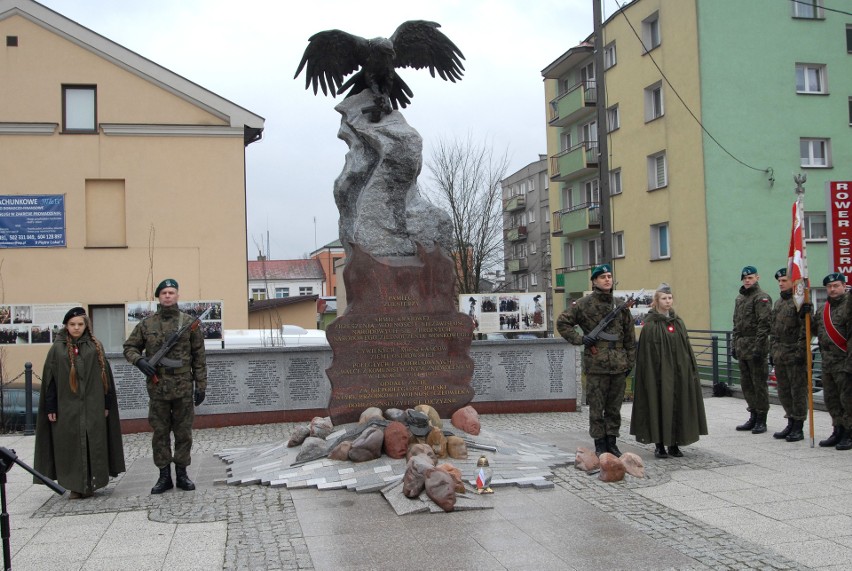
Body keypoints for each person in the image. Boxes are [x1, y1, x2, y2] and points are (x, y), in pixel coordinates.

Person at [124, 278, 207, 493]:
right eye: (164, 293)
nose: (168, 296)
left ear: (177, 295)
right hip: (158, 388)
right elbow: (129, 347)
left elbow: (199, 357)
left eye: (171, 292)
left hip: (183, 388)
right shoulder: (146, 324)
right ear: (158, 297)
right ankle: (163, 476)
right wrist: (140, 361)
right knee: (160, 433)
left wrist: (201, 386)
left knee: (183, 433)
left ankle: (182, 474)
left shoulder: (189, 323)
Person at [33, 307, 125, 498]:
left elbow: (105, 378)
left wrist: (106, 404)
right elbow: (50, 380)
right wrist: (51, 406)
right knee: (70, 445)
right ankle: (76, 485)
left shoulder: (94, 346)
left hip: (93, 405)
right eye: (72, 324)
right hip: (67, 406)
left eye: (80, 324)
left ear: (86, 325)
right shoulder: (57, 349)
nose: (76, 328)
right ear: (66, 325)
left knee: (94, 442)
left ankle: (92, 482)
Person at [557, 264, 636, 457]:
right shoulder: (583, 304)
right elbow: (563, 323)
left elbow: (629, 337)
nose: (607, 280)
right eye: (602, 277)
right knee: (596, 407)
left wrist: (630, 362)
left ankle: (612, 441)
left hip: (618, 364)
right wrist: (581, 339)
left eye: (609, 276)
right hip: (596, 364)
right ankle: (600, 443)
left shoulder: (620, 306)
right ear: (594, 281)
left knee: (614, 408)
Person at [630, 284, 708, 458]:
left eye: (670, 298)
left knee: (678, 405)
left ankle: (675, 443)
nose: (668, 301)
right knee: (658, 405)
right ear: (656, 301)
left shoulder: (678, 323)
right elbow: (646, 356)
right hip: (658, 375)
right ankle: (659, 445)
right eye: (664, 298)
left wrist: (689, 371)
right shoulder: (650, 326)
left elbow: (686, 349)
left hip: (679, 373)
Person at [769, 268, 809, 442]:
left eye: (784, 280)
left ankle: (798, 425)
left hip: (794, 353)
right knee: (784, 391)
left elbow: (805, 330)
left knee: (798, 391)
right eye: (779, 281)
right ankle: (790, 420)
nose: (781, 283)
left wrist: (801, 352)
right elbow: (773, 330)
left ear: (793, 282)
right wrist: (772, 351)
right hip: (780, 354)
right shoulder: (778, 303)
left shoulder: (799, 302)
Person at [732, 265, 772, 434]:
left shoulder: (761, 298)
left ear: (757, 278)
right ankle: (753, 414)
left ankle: (762, 418)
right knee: (746, 384)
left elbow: (764, 324)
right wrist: (734, 345)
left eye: (750, 278)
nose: (747, 281)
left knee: (759, 384)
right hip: (742, 346)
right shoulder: (740, 299)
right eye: (745, 278)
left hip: (756, 346)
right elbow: (736, 324)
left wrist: (759, 347)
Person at [814, 273, 852, 450]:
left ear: (844, 286)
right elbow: (815, 330)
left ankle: (849, 432)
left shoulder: (849, 306)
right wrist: (804, 313)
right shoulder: (823, 309)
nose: (832, 289)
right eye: (829, 287)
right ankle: (837, 429)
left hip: (844, 361)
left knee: (847, 400)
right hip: (828, 362)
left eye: (836, 285)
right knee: (832, 399)